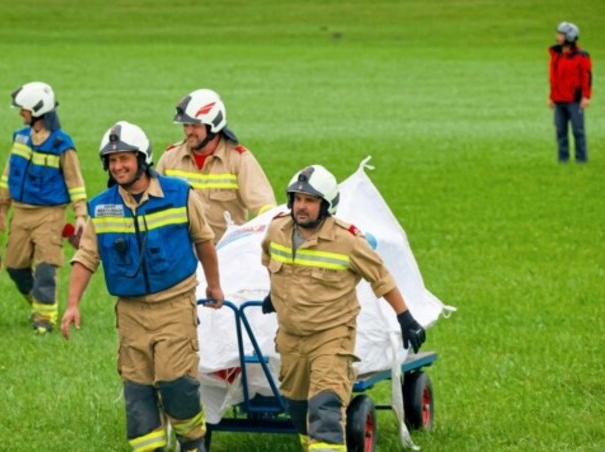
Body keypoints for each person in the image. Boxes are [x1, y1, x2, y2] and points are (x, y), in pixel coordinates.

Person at [60, 121, 223, 452]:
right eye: (112, 160)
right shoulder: (101, 207)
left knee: (177, 382)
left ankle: (193, 442)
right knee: (138, 390)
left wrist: (215, 286)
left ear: (142, 159)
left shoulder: (179, 195)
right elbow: (86, 257)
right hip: (131, 311)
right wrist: (72, 304)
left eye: (125, 159)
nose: (118, 166)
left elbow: (204, 241)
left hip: (175, 305)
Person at [261, 165, 426, 452]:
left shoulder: (347, 240)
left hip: (331, 335)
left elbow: (381, 277)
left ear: (326, 205)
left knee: (325, 405)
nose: (301, 206)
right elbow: (271, 262)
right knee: (298, 406)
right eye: (297, 199)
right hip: (290, 336)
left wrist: (405, 317)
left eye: (310, 201)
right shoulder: (276, 230)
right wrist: (273, 294)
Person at [0, 81, 87, 334]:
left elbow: (75, 180)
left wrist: (80, 214)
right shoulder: (21, 137)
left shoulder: (62, 144)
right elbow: (9, 174)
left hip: (50, 214)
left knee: (47, 267)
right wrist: (1, 206)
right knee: (15, 267)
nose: (20, 113)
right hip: (21, 212)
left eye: (23, 109)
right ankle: (39, 304)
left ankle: (44, 322)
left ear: (37, 110)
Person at [156, 88, 276, 242]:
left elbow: (266, 208)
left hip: (225, 253)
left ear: (213, 125)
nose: (188, 131)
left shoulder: (239, 159)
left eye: (195, 125)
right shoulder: (170, 158)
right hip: (182, 252)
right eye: (186, 125)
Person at [549, 21, 593, 163]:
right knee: (560, 132)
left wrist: (586, 96)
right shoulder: (556, 55)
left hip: (574, 100)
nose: (558, 36)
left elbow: (587, 76)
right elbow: (554, 78)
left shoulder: (581, 56)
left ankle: (581, 159)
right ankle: (563, 160)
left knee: (578, 131)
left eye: (561, 34)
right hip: (559, 99)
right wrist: (551, 96)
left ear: (570, 36)